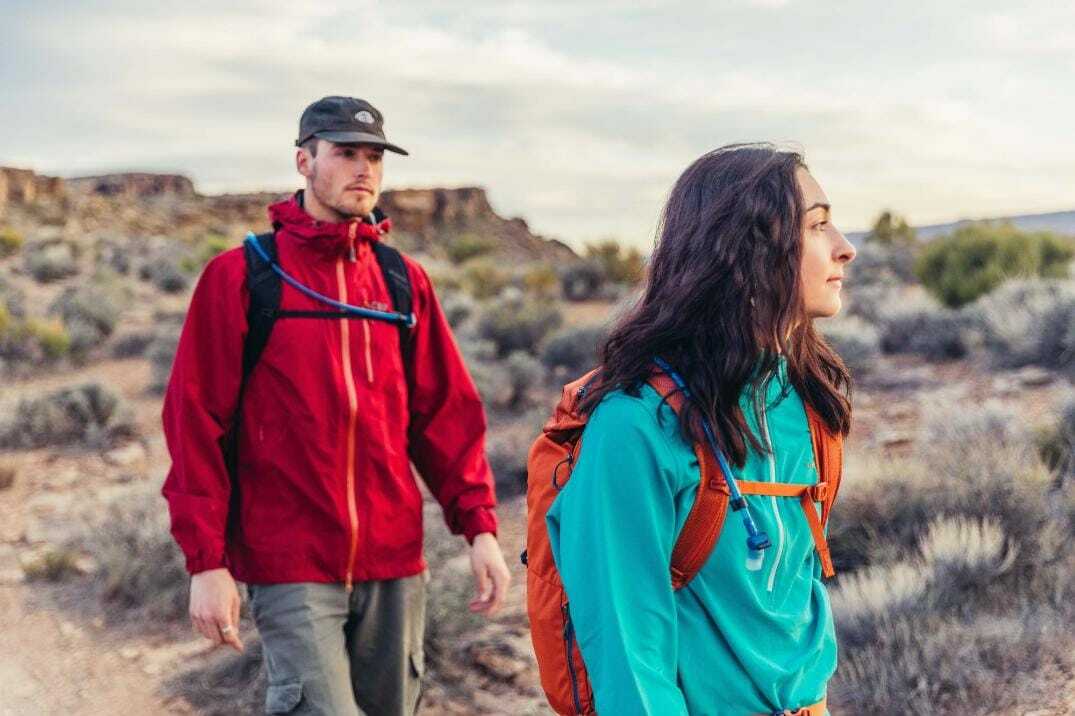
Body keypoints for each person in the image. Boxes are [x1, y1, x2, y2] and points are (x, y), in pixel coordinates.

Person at [161, 96, 511, 716]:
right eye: (345, 152)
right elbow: (196, 425)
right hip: (290, 560)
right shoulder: (242, 277)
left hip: (394, 562)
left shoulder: (403, 281)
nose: (363, 169)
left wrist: (479, 527)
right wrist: (206, 562)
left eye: (374, 156)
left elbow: (445, 415)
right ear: (304, 161)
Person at [545, 144, 856, 715]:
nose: (845, 248)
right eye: (817, 226)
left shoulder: (805, 401)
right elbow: (628, 656)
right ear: (747, 248)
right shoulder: (635, 425)